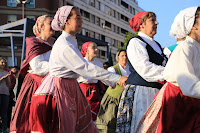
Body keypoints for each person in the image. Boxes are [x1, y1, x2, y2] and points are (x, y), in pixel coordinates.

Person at [29, 6, 127, 133]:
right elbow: (84, 67)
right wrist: (116, 78)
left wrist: (111, 81)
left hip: (69, 87)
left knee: (80, 124)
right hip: (60, 89)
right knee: (67, 126)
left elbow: (86, 67)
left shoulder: (70, 41)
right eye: (78, 18)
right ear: (66, 21)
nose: (81, 21)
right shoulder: (64, 44)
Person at [136, 6, 200, 133]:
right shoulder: (185, 48)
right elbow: (188, 83)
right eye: (152, 20)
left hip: (191, 98)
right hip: (179, 100)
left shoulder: (195, 47)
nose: (156, 23)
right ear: (193, 25)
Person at [116, 11, 168, 133]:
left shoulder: (157, 45)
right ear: (141, 24)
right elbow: (145, 68)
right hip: (142, 92)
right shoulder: (136, 42)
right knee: (141, 127)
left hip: (156, 92)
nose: (157, 23)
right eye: (152, 20)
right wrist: (169, 72)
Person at [10, 14, 55, 133]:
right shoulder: (33, 42)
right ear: (40, 26)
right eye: (50, 23)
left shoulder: (56, 44)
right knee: (32, 119)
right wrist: (60, 67)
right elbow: (37, 65)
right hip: (35, 85)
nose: (53, 25)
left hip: (53, 86)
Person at [96, 49, 130, 133]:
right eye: (122, 56)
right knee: (109, 120)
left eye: (126, 56)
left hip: (125, 100)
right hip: (113, 98)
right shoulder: (112, 69)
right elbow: (109, 80)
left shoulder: (130, 69)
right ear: (118, 58)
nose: (124, 58)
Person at [77, 41, 105, 121]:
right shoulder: (80, 62)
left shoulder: (99, 64)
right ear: (86, 50)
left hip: (94, 90)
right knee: (82, 113)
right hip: (83, 89)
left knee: (93, 115)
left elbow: (104, 76)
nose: (96, 49)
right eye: (93, 47)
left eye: (96, 47)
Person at [0, 57, 11, 133]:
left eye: (4, 63)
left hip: (5, 93)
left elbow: (8, 84)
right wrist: (2, 78)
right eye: (2, 62)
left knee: (4, 112)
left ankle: (4, 128)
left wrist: (7, 79)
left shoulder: (6, 72)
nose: (4, 64)